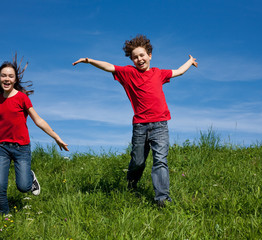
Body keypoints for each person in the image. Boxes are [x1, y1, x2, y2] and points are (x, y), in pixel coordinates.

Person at [73, 35, 198, 207]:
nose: (139, 59)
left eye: (142, 55)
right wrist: (89, 61)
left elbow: (179, 71)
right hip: (140, 126)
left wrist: (190, 62)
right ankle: (132, 185)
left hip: (160, 124)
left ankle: (162, 199)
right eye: (135, 57)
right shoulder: (128, 73)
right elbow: (109, 66)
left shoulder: (158, 73)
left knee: (160, 160)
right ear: (131, 60)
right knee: (138, 161)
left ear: (150, 55)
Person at [0, 55, 69, 214]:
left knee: (23, 187)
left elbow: (38, 120)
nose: (7, 78)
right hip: (2, 148)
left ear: (15, 80)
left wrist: (57, 137)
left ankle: (30, 176)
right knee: (0, 185)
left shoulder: (22, 97)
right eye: (3, 75)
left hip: (22, 148)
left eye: (10, 76)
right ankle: (5, 217)